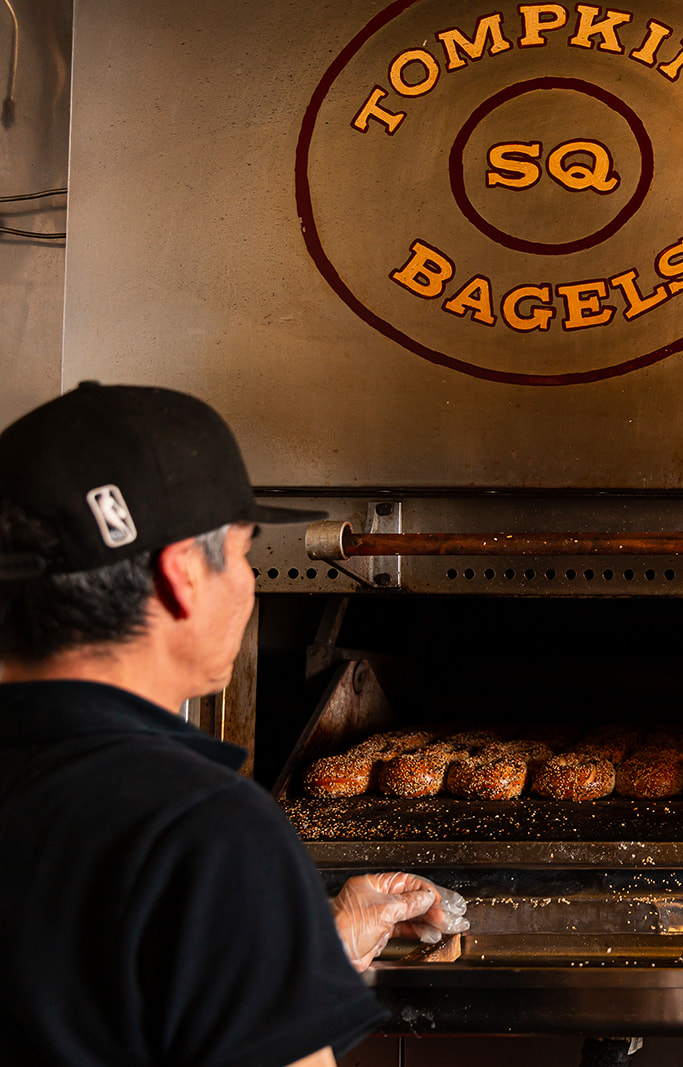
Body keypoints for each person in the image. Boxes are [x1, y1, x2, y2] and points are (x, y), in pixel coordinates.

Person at [0, 382, 468, 1066]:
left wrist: (301, 949)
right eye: (245, 555)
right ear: (183, 574)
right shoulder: (203, 832)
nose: (249, 585)